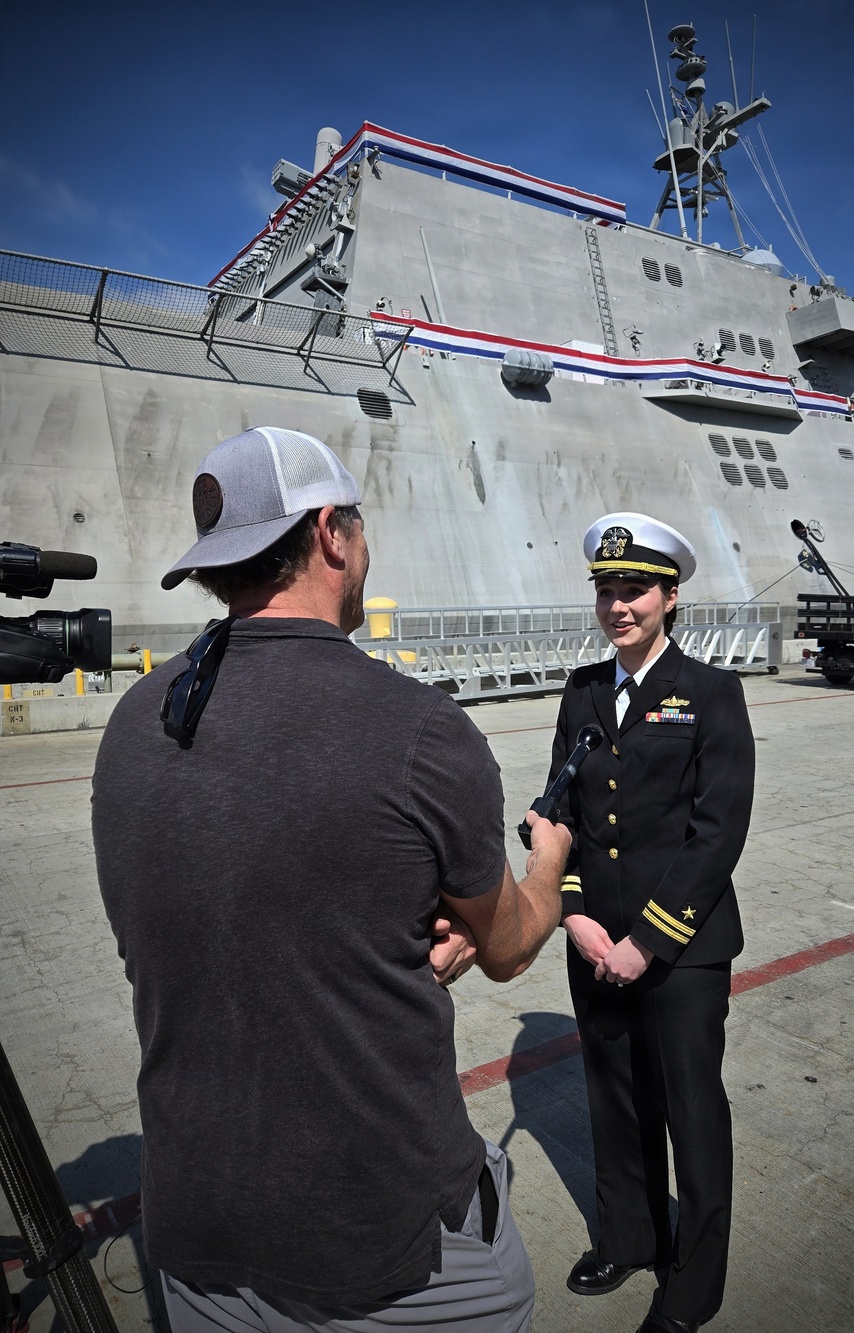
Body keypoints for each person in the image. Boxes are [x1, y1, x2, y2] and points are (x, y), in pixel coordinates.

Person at [92, 426, 570, 1333]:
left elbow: (214, 912)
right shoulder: (421, 731)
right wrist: (544, 865)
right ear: (331, 534)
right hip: (381, 1245)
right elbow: (506, 945)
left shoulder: (133, 721)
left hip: (197, 1235)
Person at [548, 512, 755, 1333]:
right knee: (615, 1098)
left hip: (682, 952)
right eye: (606, 589)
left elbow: (718, 832)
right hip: (596, 942)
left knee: (691, 1112)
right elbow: (560, 807)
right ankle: (630, 1236)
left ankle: (693, 1287)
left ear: (670, 596)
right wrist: (573, 913)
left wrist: (647, 941)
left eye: (634, 589)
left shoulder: (712, 693)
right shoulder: (584, 689)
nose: (618, 604)